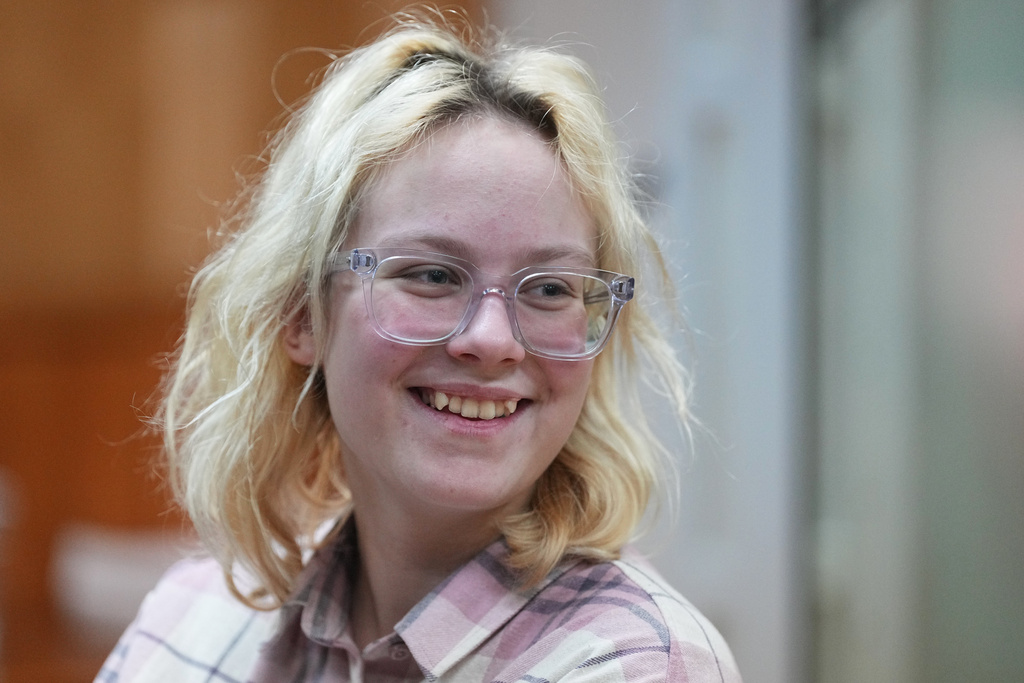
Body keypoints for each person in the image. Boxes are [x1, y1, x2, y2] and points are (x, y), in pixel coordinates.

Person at [97, 13, 742, 683]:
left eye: (549, 287)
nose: (492, 341)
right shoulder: (186, 624)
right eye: (432, 274)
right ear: (301, 314)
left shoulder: (634, 662)